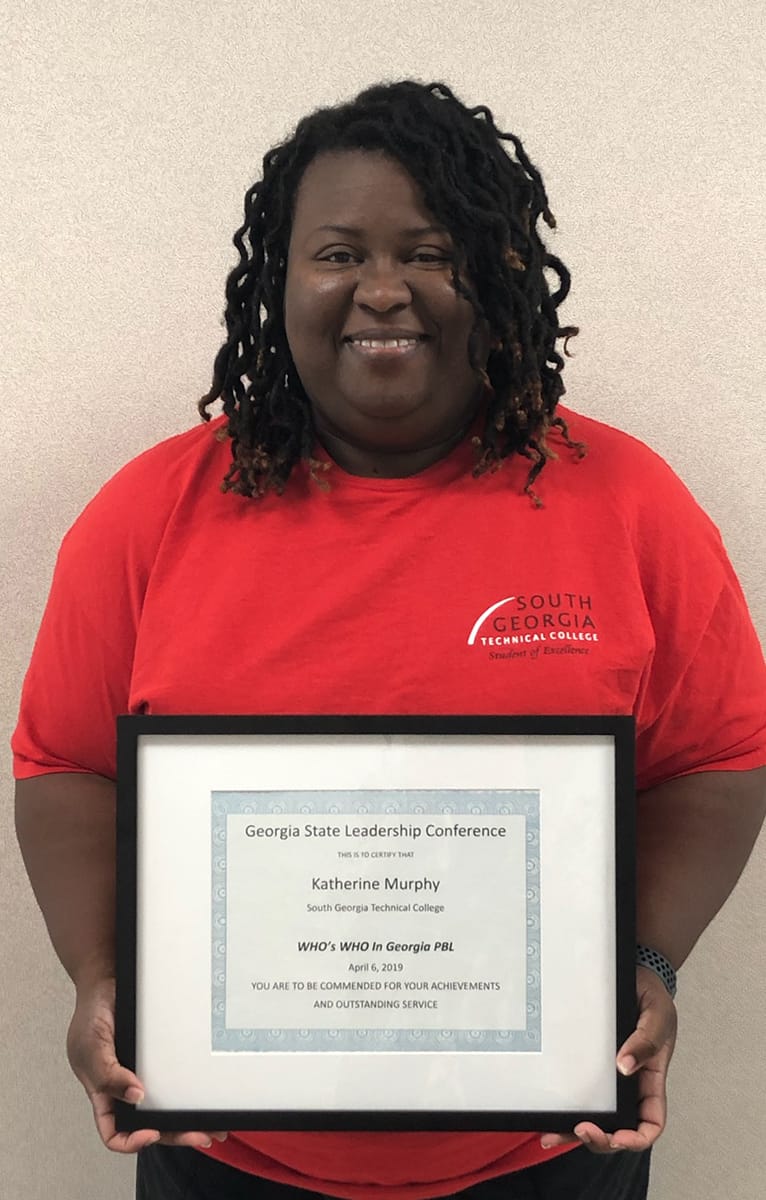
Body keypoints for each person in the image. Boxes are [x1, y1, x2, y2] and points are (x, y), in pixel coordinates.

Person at [13, 78, 766, 1200]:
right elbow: (65, 761)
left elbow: (717, 756)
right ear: (279, 281)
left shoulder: (628, 502)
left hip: (545, 1154)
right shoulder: (148, 515)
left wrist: (647, 964)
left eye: (430, 250)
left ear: (501, 277)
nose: (381, 290)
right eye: (335, 252)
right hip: (232, 1158)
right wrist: (99, 976)